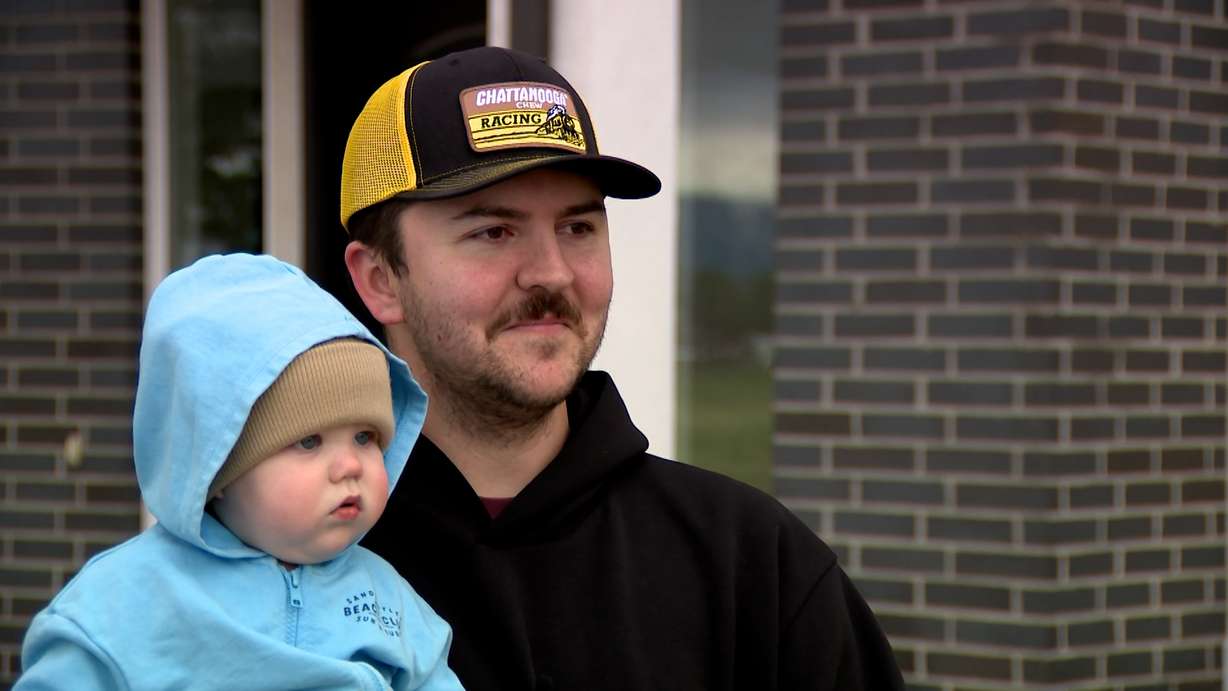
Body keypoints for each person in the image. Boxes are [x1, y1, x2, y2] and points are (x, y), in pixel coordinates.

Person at [342, 46, 904, 690]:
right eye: (494, 231)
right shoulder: (289, 557)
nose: (552, 272)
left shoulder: (751, 563)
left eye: (578, 228)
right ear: (380, 279)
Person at [16, 254, 464, 691]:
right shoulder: (122, 602)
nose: (349, 465)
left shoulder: (388, 600)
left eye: (365, 437)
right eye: (309, 442)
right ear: (219, 468)